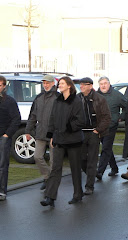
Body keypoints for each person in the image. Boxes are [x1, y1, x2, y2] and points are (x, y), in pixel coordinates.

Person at [40, 77, 85, 207]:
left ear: (69, 86)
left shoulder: (76, 101)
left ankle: (78, 194)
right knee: (55, 168)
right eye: (59, 84)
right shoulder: (57, 101)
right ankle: (50, 196)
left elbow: (81, 120)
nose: (60, 85)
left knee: (75, 169)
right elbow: (52, 119)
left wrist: (68, 128)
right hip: (59, 139)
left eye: (62, 83)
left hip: (73, 140)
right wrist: (52, 135)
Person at [25, 74, 59, 190]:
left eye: (48, 83)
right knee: (37, 156)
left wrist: (57, 133)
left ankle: (52, 183)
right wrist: (28, 130)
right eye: (44, 83)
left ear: (53, 83)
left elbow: (61, 117)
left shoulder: (58, 97)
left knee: (53, 161)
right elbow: (33, 115)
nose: (45, 85)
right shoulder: (39, 97)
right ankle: (47, 177)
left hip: (53, 133)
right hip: (40, 132)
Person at [78, 77, 111, 195]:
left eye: (84, 84)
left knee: (92, 159)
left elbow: (107, 117)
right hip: (81, 133)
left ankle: (89, 186)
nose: (81, 86)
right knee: (81, 159)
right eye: (80, 84)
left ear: (90, 86)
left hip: (93, 133)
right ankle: (93, 174)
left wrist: (97, 130)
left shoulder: (99, 99)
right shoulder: (77, 98)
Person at [96, 76, 127, 180]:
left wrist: (121, 117)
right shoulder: (96, 95)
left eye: (105, 83)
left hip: (111, 126)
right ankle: (114, 167)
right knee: (107, 147)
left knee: (105, 148)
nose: (103, 86)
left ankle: (100, 172)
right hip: (99, 126)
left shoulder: (117, 95)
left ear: (109, 84)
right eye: (101, 84)